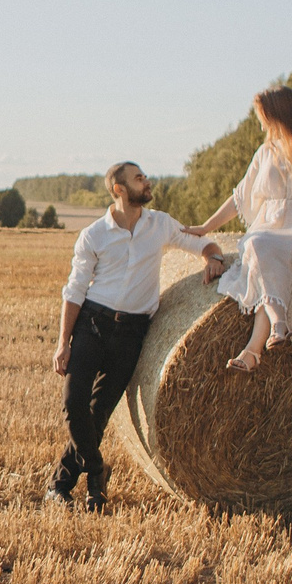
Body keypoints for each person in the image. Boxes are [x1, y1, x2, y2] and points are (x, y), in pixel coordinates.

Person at [50, 160, 196, 509]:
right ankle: (97, 468)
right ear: (119, 190)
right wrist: (63, 343)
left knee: (98, 414)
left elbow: (193, 240)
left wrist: (214, 256)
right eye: (138, 178)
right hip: (93, 325)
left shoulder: (159, 224)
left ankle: (62, 486)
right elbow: (74, 291)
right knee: (74, 404)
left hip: (131, 333)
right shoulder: (94, 235)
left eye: (144, 176)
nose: (146, 182)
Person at [184, 87, 292, 371]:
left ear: (278, 116)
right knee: (264, 255)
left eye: (263, 117)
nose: (260, 124)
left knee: (261, 249)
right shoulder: (265, 152)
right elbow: (240, 197)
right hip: (269, 230)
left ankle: (272, 329)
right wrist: (206, 226)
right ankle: (260, 344)